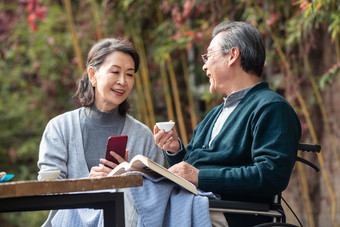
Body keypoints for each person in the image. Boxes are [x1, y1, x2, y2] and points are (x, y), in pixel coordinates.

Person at [154, 21, 301, 226]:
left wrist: (201, 177)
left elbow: (269, 175)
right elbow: (191, 172)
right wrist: (175, 151)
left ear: (232, 55)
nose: (204, 65)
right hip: (198, 204)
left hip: (231, 213)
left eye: (209, 56)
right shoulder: (213, 116)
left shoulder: (271, 107)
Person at [38, 38, 164, 226]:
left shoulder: (143, 135)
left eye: (129, 74)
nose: (123, 81)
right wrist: (87, 185)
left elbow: (158, 197)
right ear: (92, 75)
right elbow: (46, 190)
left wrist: (126, 181)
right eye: (115, 72)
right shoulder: (60, 128)